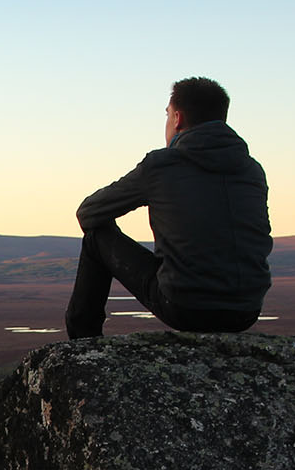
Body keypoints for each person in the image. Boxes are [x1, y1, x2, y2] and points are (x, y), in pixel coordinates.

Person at [65, 77, 272, 339]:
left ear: (177, 118)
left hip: (184, 307)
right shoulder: (252, 170)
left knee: (96, 236)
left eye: (167, 115)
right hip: (246, 311)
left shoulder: (162, 166)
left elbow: (88, 212)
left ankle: (83, 343)